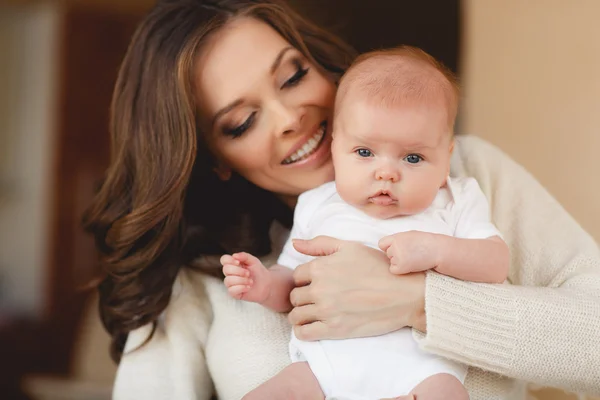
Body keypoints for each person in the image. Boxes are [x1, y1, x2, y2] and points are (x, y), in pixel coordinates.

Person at [82, 1, 600, 400]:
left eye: (293, 76)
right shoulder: (200, 274)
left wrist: (421, 303)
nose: (290, 116)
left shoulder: (467, 177)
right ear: (214, 157)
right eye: (241, 122)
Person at [221, 46, 510, 400]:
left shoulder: (455, 198)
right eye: (364, 153)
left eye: (413, 157)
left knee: (448, 393)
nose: (386, 173)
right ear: (335, 145)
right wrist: (263, 285)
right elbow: (296, 283)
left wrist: (436, 250)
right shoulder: (318, 205)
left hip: (422, 369)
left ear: (446, 158)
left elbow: (496, 262)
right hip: (323, 368)